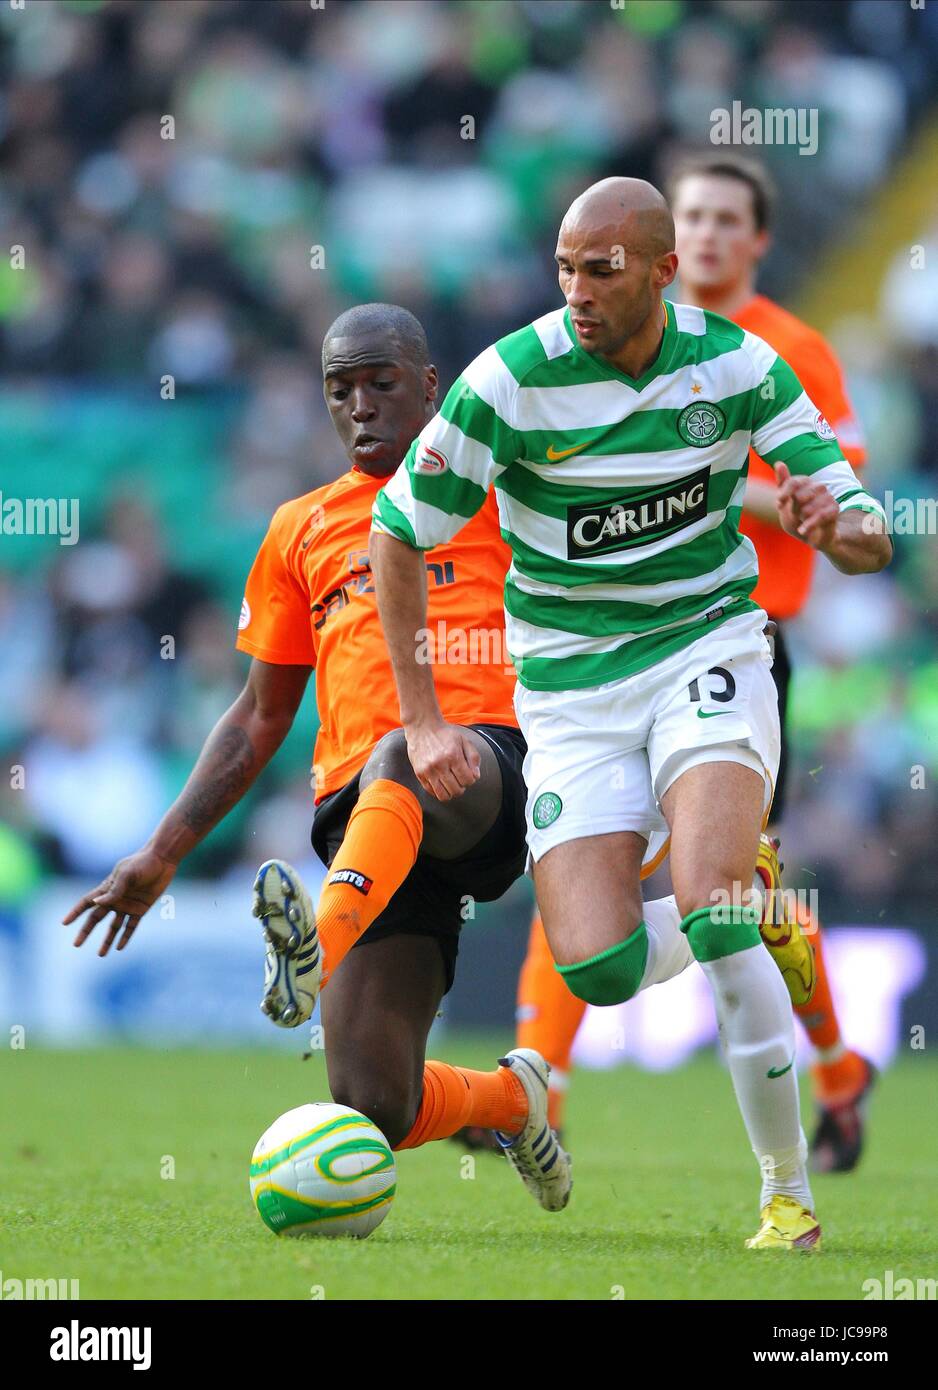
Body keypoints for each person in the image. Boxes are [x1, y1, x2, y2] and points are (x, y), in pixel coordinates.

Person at [369, 178, 892, 1250]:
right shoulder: (509, 380)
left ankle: (784, 1197)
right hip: (567, 693)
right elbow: (393, 531)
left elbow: (865, 530)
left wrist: (828, 523)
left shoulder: (739, 363)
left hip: (705, 649)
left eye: (598, 270)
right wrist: (421, 722)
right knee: (598, 969)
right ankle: (752, 902)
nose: (574, 290)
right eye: (562, 267)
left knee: (708, 903)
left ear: (661, 272)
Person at [62, 304, 577, 1210]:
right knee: (374, 1100)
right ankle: (511, 1097)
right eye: (341, 388)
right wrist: (163, 852)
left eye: (382, 383)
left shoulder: (509, 491)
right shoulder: (300, 528)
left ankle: (314, 950)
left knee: (403, 752)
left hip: (490, 770)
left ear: (430, 387)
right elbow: (258, 718)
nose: (361, 405)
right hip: (365, 831)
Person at [509, 153, 876, 1175]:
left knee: (719, 887)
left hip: (736, 639)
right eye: (696, 215)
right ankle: (543, 1085)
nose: (710, 234)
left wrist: (732, 498)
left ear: (754, 242)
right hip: (606, 655)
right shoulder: (579, 359)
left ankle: (828, 1072)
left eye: (728, 220)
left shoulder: (782, 351)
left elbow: (840, 505)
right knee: (599, 862)